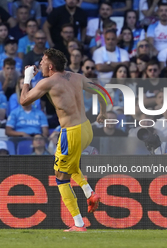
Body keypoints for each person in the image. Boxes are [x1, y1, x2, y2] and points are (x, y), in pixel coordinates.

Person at [20, 48, 106, 231]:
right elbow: (102, 91)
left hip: (71, 132)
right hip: (86, 129)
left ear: (50, 66)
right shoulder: (77, 77)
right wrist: (103, 113)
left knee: (60, 177)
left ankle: (79, 224)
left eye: (43, 60)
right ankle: (89, 193)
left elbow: (24, 100)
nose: (40, 63)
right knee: (69, 165)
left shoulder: (47, 82)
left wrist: (27, 78)